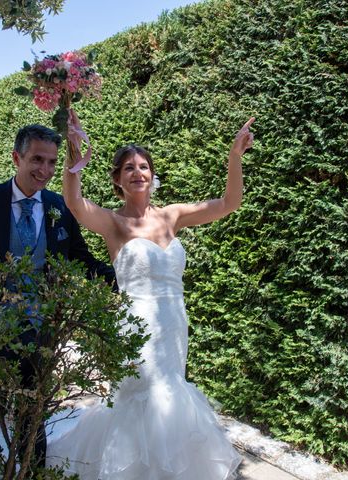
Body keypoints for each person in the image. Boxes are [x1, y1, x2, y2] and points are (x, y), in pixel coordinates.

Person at [46, 111, 255, 479]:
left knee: (171, 394)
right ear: (117, 179)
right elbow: (75, 203)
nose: (138, 172)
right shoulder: (112, 222)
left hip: (174, 324)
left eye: (144, 166)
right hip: (135, 327)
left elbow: (228, 203)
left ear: (152, 175)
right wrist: (73, 157)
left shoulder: (172, 216)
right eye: (128, 168)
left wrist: (235, 157)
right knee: (141, 397)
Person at [0, 124, 115, 467]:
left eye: (52, 162)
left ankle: (33, 474)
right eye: (37, 159)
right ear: (16, 157)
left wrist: (127, 276)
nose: (45, 170)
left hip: (41, 332)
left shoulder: (59, 205)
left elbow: (80, 259)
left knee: (33, 419)